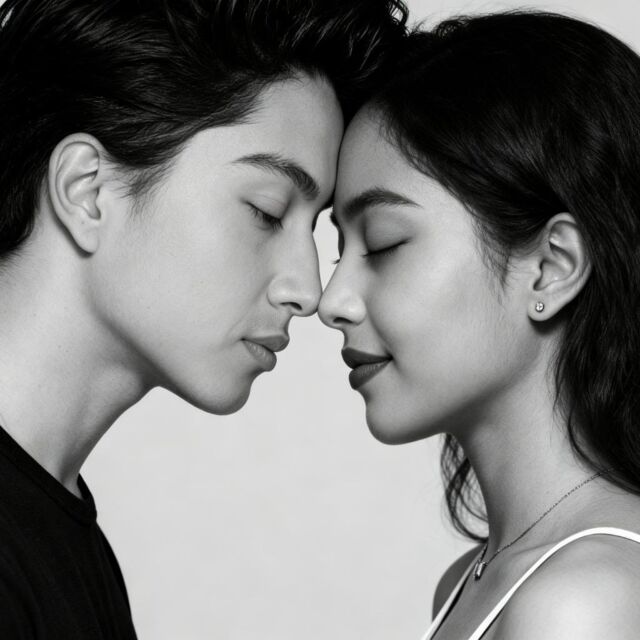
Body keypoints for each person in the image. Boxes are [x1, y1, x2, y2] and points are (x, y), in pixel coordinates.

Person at [0, 0, 408, 636]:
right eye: (267, 211)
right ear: (88, 190)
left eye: (314, 228)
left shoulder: (64, 535)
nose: (308, 290)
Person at [319, 11, 640, 639]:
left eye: (383, 243)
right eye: (339, 250)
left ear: (551, 268)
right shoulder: (472, 582)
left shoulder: (580, 603)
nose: (332, 300)